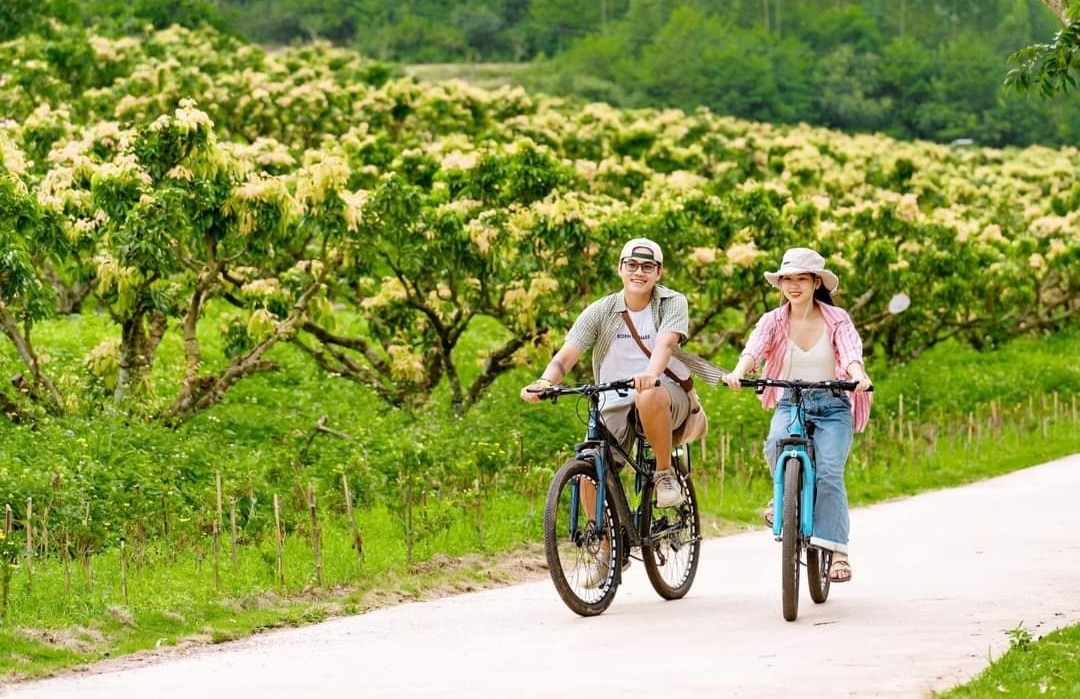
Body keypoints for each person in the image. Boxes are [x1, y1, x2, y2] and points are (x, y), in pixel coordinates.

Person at [521, 238, 721, 587]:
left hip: (665, 394)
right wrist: (544, 381)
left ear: (658, 272)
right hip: (613, 397)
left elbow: (665, 345)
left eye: (647, 267)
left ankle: (663, 474)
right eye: (631, 265)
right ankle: (606, 549)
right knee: (588, 466)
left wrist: (651, 373)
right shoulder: (601, 310)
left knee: (648, 394)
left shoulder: (672, 302)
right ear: (620, 268)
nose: (638, 272)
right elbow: (566, 356)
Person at [722, 247, 872, 583]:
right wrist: (739, 371)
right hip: (792, 400)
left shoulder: (837, 319)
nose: (793, 286)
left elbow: (850, 352)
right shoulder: (773, 320)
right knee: (777, 441)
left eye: (801, 279)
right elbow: (754, 349)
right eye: (787, 279)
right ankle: (782, 498)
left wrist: (859, 375)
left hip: (833, 404)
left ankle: (837, 553)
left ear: (816, 282)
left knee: (829, 472)